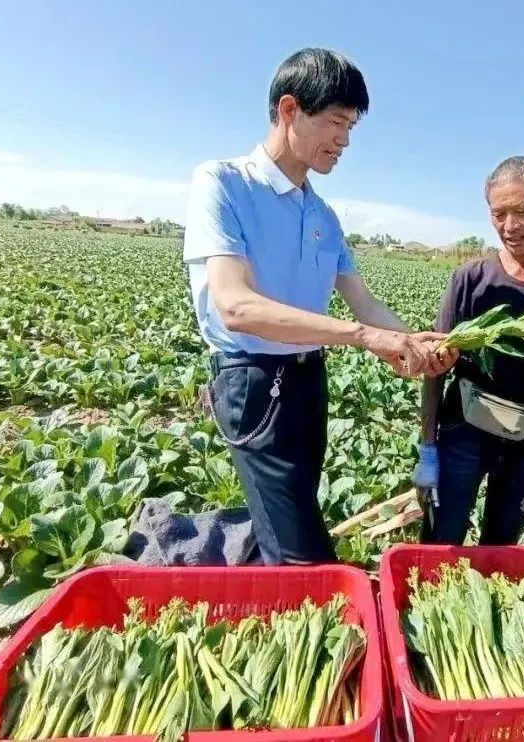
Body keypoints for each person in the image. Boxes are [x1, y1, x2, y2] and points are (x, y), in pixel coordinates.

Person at [183, 48, 454, 566]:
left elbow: (364, 301)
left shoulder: (322, 213)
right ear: (290, 110)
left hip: (309, 382)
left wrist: (416, 341)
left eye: (350, 126)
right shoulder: (223, 183)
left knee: (292, 512)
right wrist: (363, 337)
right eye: (336, 122)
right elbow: (236, 306)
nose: (345, 140)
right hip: (255, 381)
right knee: (301, 552)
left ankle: (268, 587)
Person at [413, 156, 524, 546]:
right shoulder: (471, 280)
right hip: (463, 436)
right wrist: (428, 447)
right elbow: (435, 368)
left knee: (501, 549)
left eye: (521, 211)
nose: (509, 227)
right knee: (440, 542)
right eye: (498, 214)